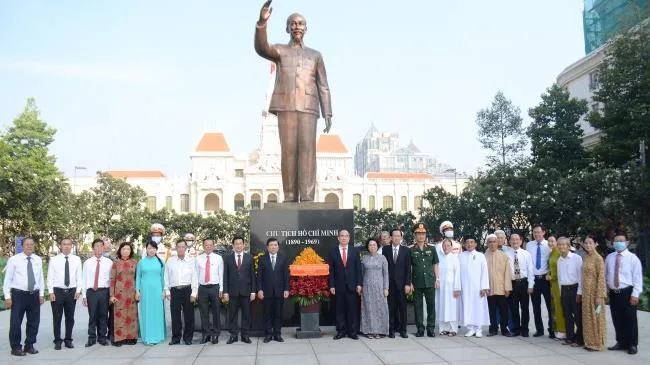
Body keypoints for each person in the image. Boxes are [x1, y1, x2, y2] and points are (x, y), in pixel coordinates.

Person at [254, 0, 333, 202]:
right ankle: (289, 196)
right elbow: (261, 48)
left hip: (309, 107)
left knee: (307, 151)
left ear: (306, 28)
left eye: (300, 23)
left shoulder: (315, 55)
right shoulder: (280, 50)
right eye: (293, 23)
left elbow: (323, 85)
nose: (297, 26)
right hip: (286, 105)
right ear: (288, 28)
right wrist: (261, 23)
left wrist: (328, 113)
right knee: (288, 151)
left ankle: (307, 197)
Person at [3, 237, 45, 356]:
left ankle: (29, 345)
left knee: (33, 322)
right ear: (22, 246)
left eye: (31, 244)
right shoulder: (14, 260)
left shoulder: (37, 259)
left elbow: (40, 278)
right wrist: (7, 297)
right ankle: (16, 347)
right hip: (19, 295)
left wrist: (41, 294)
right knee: (16, 322)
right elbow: (8, 279)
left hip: (34, 295)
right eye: (27, 244)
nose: (29, 246)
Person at [605, 234, 643, 355]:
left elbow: (637, 278)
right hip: (614, 293)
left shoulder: (633, 258)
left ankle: (632, 344)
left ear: (626, 242)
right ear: (613, 243)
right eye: (616, 241)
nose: (618, 243)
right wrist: (605, 289)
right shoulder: (609, 257)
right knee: (617, 318)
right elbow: (606, 275)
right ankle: (621, 342)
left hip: (627, 292)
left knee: (630, 320)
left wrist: (635, 294)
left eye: (621, 241)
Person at [47, 238, 82, 350]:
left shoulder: (77, 259)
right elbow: (50, 277)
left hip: (72, 291)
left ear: (71, 246)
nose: (66, 246)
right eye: (64, 244)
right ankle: (57, 341)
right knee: (57, 317)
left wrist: (78, 291)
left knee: (70, 318)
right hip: (57, 292)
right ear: (60, 246)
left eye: (68, 244)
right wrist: (51, 292)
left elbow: (79, 276)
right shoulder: (54, 260)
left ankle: (68, 340)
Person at [329, 229, 363, 340]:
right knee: (339, 310)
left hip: (352, 285)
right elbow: (331, 270)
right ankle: (341, 331)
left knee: (352, 309)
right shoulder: (333, 251)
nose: (344, 238)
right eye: (342, 236)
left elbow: (358, 269)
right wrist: (332, 285)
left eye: (346, 236)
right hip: (338, 286)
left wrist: (359, 283)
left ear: (349, 238)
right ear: (338, 238)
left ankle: (352, 332)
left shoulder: (354, 251)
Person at [223, 236, 256, 344]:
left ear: (243, 245)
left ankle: (245, 335)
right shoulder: (227, 258)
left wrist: (253, 291)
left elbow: (252, 276)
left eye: (240, 243)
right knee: (232, 314)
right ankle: (233, 335)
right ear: (233, 246)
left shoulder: (249, 258)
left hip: (246, 291)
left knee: (246, 314)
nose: (238, 245)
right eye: (236, 244)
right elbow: (225, 276)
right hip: (232, 292)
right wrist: (225, 292)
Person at [164, 239, 198, 346]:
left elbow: (195, 277)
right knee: (175, 316)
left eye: (183, 247)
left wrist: (194, 293)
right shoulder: (170, 261)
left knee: (189, 316)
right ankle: (176, 338)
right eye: (179, 246)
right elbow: (166, 277)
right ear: (176, 248)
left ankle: (188, 338)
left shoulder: (191, 261)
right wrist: (167, 291)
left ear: (186, 248)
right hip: (174, 290)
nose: (181, 249)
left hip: (188, 290)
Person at [410, 223, 440, 337]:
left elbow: (435, 264)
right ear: (415, 235)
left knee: (431, 305)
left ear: (426, 235)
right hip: (417, 282)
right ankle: (420, 329)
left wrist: (437, 279)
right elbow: (409, 267)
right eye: (418, 234)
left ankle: (431, 329)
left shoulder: (432, 248)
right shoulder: (411, 250)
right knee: (418, 306)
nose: (421, 236)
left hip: (430, 281)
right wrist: (410, 282)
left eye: (423, 234)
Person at [257, 237, 289, 343]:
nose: (273, 247)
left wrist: (286, 289)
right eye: (271, 245)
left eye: (275, 245)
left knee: (278, 314)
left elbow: (286, 276)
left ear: (278, 247)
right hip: (266, 292)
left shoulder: (283, 258)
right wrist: (260, 289)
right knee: (267, 313)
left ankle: (277, 334)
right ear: (267, 247)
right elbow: (259, 277)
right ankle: (268, 334)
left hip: (280, 291)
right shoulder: (262, 259)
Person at [82, 238, 113, 347]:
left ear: (104, 248)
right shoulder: (87, 263)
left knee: (104, 315)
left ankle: (102, 337)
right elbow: (84, 280)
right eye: (97, 246)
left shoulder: (109, 262)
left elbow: (111, 279)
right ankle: (91, 338)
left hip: (104, 291)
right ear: (93, 248)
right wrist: (84, 296)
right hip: (92, 292)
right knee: (92, 315)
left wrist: (111, 295)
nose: (99, 248)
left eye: (101, 246)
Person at [382, 228, 411, 338]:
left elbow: (408, 268)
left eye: (398, 236)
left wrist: (408, 284)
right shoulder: (385, 249)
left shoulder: (406, 250)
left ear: (401, 237)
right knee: (391, 307)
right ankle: (392, 329)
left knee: (402, 308)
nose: (396, 238)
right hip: (389, 284)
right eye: (394, 236)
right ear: (390, 237)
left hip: (402, 284)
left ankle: (403, 330)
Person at [136, 241, 167, 345]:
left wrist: (164, 290)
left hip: (157, 290)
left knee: (157, 313)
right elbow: (138, 277)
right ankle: (147, 337)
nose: (151, 250)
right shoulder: (141, 262)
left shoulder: (161, 262)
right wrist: (137, 291)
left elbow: (163, 278)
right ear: (146, 249)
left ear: (156, 249)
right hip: (145, 291)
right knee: (146, 313)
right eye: (149, 248)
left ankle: (157, 336)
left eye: (153, 248)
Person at [526, 225, 554, 338]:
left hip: (546, 279)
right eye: (534, 232)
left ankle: (552, 329)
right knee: (536, 307)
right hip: (534, 280)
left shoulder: (549, 244)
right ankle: (539, 329)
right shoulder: (529, 245)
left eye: (539, 232)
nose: (537, 234)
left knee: (550, 306)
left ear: (543, 232)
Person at [459, 237, 489, 337]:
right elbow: (458, 273)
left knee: (479, 307)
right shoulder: (461, 256)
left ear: (475, 244)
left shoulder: (480, 256)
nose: (469, 244)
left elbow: (485, 272)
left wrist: (484, 287)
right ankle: (470, 328)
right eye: (467, 243)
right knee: (468, 307)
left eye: (471, 242)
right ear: (464, 245)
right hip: (466, 288)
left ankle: (479, 328)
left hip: (478, 287)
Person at [580, 237, 607, 352]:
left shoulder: (598, 259)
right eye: (586, 243)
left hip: (595, 293)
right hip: (586, 293)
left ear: (595, 244)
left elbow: (601, 278)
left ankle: (597, 343)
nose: (588, 245)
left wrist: (599, 295)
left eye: (590, 242)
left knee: (597, 317)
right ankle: (590, 342)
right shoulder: (586, 257)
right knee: (588, 318)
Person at [109, 242, 138, 346]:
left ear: (130, 251)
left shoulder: (135, 263)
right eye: (124, 249)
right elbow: (112, 280)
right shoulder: (115, 263)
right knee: (119, 316)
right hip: (119, 294)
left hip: (131, 293)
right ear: (120, 251)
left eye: (128, 249)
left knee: (131, 316)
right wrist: (111, 295)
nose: (126, 251)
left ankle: (130, 338)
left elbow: (137, 279)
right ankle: (118, 339)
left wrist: (138, 292)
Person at [196, 239, 224, 344]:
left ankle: (216, 334)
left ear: (213, 246)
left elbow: (221, 274)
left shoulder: (218, 258)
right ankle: (206, 334)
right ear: (203, 246)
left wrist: (221, 289)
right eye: (206, 245)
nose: (208, 247)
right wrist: (196, 290)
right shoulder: (198, 259)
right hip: (202, 288)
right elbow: (196, 275)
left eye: (210, 245)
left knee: (216, 311)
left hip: (215, 287)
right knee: (204, 312)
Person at [557, 237, 583, 347]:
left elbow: (581, 276)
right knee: (567, 316)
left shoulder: (576, 258)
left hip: (575, 289)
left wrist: (579, 292)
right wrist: (560, 292)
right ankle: (570, 337)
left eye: (564, 244)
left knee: (577, 315)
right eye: (560, 244)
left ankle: (580, 339)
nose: (562, 246)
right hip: (564, 290)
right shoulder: (559, 260)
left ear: (568, 246)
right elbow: (559, 277)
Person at [360, 238, 389, 339]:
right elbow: (362, 273)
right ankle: (369, 330)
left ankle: (380, 331)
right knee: (369, 309)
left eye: (374, 245)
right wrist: (361, 286)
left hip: (379, 287)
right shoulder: (364, 258)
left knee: (380, 308)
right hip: (367, 287)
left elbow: (386, 274)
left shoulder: (382, 258)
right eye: (370, 245)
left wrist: (386, 288)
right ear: (368, 247)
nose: (372, 246)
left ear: (377, 246)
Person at [506, 234, 534, 337]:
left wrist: (531, 285)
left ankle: (525, 329)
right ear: (509, 242)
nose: (515, 241)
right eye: (512, 239)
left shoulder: (526, 254)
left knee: (525, 308)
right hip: (512, 283)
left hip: (524, 283)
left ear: (521, 241)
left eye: (517, 239)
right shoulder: (506, 254)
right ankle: (516, 329)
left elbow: (530, 270)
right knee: (514, 308)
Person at [484, 234, 513, 337]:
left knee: (503, 310)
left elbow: (507, 273)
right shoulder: (484, 256)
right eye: (490, 242)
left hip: (501, 288)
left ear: (498, 243)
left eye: (494, 242)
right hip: (489, 288)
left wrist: (507, 288)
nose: (492, 244)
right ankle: (493, 329)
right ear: (487, 243)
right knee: (491, 310)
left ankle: (504, 329)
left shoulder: (504, 256)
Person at [436, 239, 461, 336]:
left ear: (451, 247)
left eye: (448, 245)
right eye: (444, 246)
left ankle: (453, 329)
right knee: (442, 307)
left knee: (452, 308)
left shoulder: (455, 258)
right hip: (442, 288)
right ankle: (443, 328)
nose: (446, 247)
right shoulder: (440, 258)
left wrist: (457, 288)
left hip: (452, 288)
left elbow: (457, 274)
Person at [547, 236, 566, 340]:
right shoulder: (552, 253)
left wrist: (552, 276)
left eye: (553, 241)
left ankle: (563, 330)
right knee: (555, 307)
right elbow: (551, 267)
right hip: (552, 284)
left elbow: (561, 269)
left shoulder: (559, 253)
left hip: (559, 283)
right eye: (549, 241)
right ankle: (557, 329)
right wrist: (549, 274)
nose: (551, 243)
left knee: (560, 307)